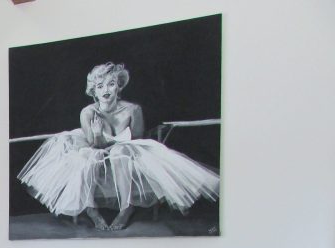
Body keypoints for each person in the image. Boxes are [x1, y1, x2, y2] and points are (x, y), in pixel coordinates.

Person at [17, 62, 220, 230]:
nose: (105, 90)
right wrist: (97, 134)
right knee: (88, 156)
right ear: (93, 92)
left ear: (118, 87)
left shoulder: (133, 110)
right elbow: (94, 145)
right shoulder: (88, 112)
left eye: (110, 84)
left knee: (119, 151)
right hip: (95, 150)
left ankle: (126, 208)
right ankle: (92, 210)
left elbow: (138, 140)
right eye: (100, 86)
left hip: (126, 153)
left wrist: (113, 143)